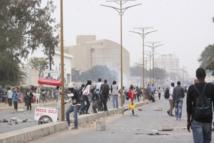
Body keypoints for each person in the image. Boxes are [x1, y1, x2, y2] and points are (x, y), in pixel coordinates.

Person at [187, 68, 214, 143]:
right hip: (208, 120)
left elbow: (188, 107)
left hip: (196, 120)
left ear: (196, 76)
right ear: (205, 76)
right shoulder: (211, 87)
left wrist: (188, 121)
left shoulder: (191, 88)